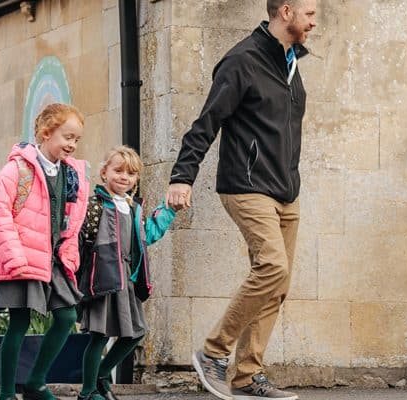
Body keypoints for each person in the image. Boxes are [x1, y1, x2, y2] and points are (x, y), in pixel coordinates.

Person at [164, 1, 317, 399]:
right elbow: (206, 123)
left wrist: (292, 180)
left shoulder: (290, 64)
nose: (315, 21)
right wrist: (182, 176)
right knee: (271, 266)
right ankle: (213, 352)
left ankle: (248, 374)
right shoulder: (242, 61)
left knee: (277, 283)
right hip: (246, 185)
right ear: (286, 11)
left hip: (286, 190)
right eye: (310, 13)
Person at [0, 103, 90, 400]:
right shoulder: (17, 169)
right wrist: (13, 255)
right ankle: (6, 393)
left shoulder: (71, 175)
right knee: (18, 321)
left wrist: (69, 251)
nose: (72, 144)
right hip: (22, 255)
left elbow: (72, 218)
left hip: (53, 257)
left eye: (76, 140)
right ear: (46, 133)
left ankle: (35, 382)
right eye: (67, 137)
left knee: (67, 317)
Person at [75, 146, 178, 400]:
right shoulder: (95, 205)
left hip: (127, 280)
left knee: (136, 332)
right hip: (102, 278)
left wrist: (168, 211)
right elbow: (80, 242)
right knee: (99, 335)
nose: (124, 177)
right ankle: (87, 392)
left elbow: (148, 236)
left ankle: (101, 375)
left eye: (131, 174)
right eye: (118, 170)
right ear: (104, 172)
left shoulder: (134, 208)